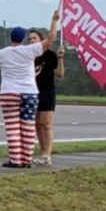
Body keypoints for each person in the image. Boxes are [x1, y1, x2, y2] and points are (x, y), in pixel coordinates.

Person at [0, 11, 58, 168]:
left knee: (12, 126)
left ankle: (15, 159)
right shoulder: (30, 50)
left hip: (9, 91)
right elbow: (50, 39)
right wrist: (54, 21)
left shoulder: (1, 53)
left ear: (11, 38)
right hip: (30, 92)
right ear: (22, 39)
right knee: (28, 124)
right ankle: (26, 159)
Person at [29, 29, 65, 166]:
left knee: (46, 124)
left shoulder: (49, 55)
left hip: (47, 91)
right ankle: (42, 152)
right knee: (37, 124)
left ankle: (47, 154)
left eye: (34, 38)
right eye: (30, 39)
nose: (32, 41)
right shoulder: (29, 55)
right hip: (32, 91)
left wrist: (60, 57)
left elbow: (59, 74)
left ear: (41, 39)